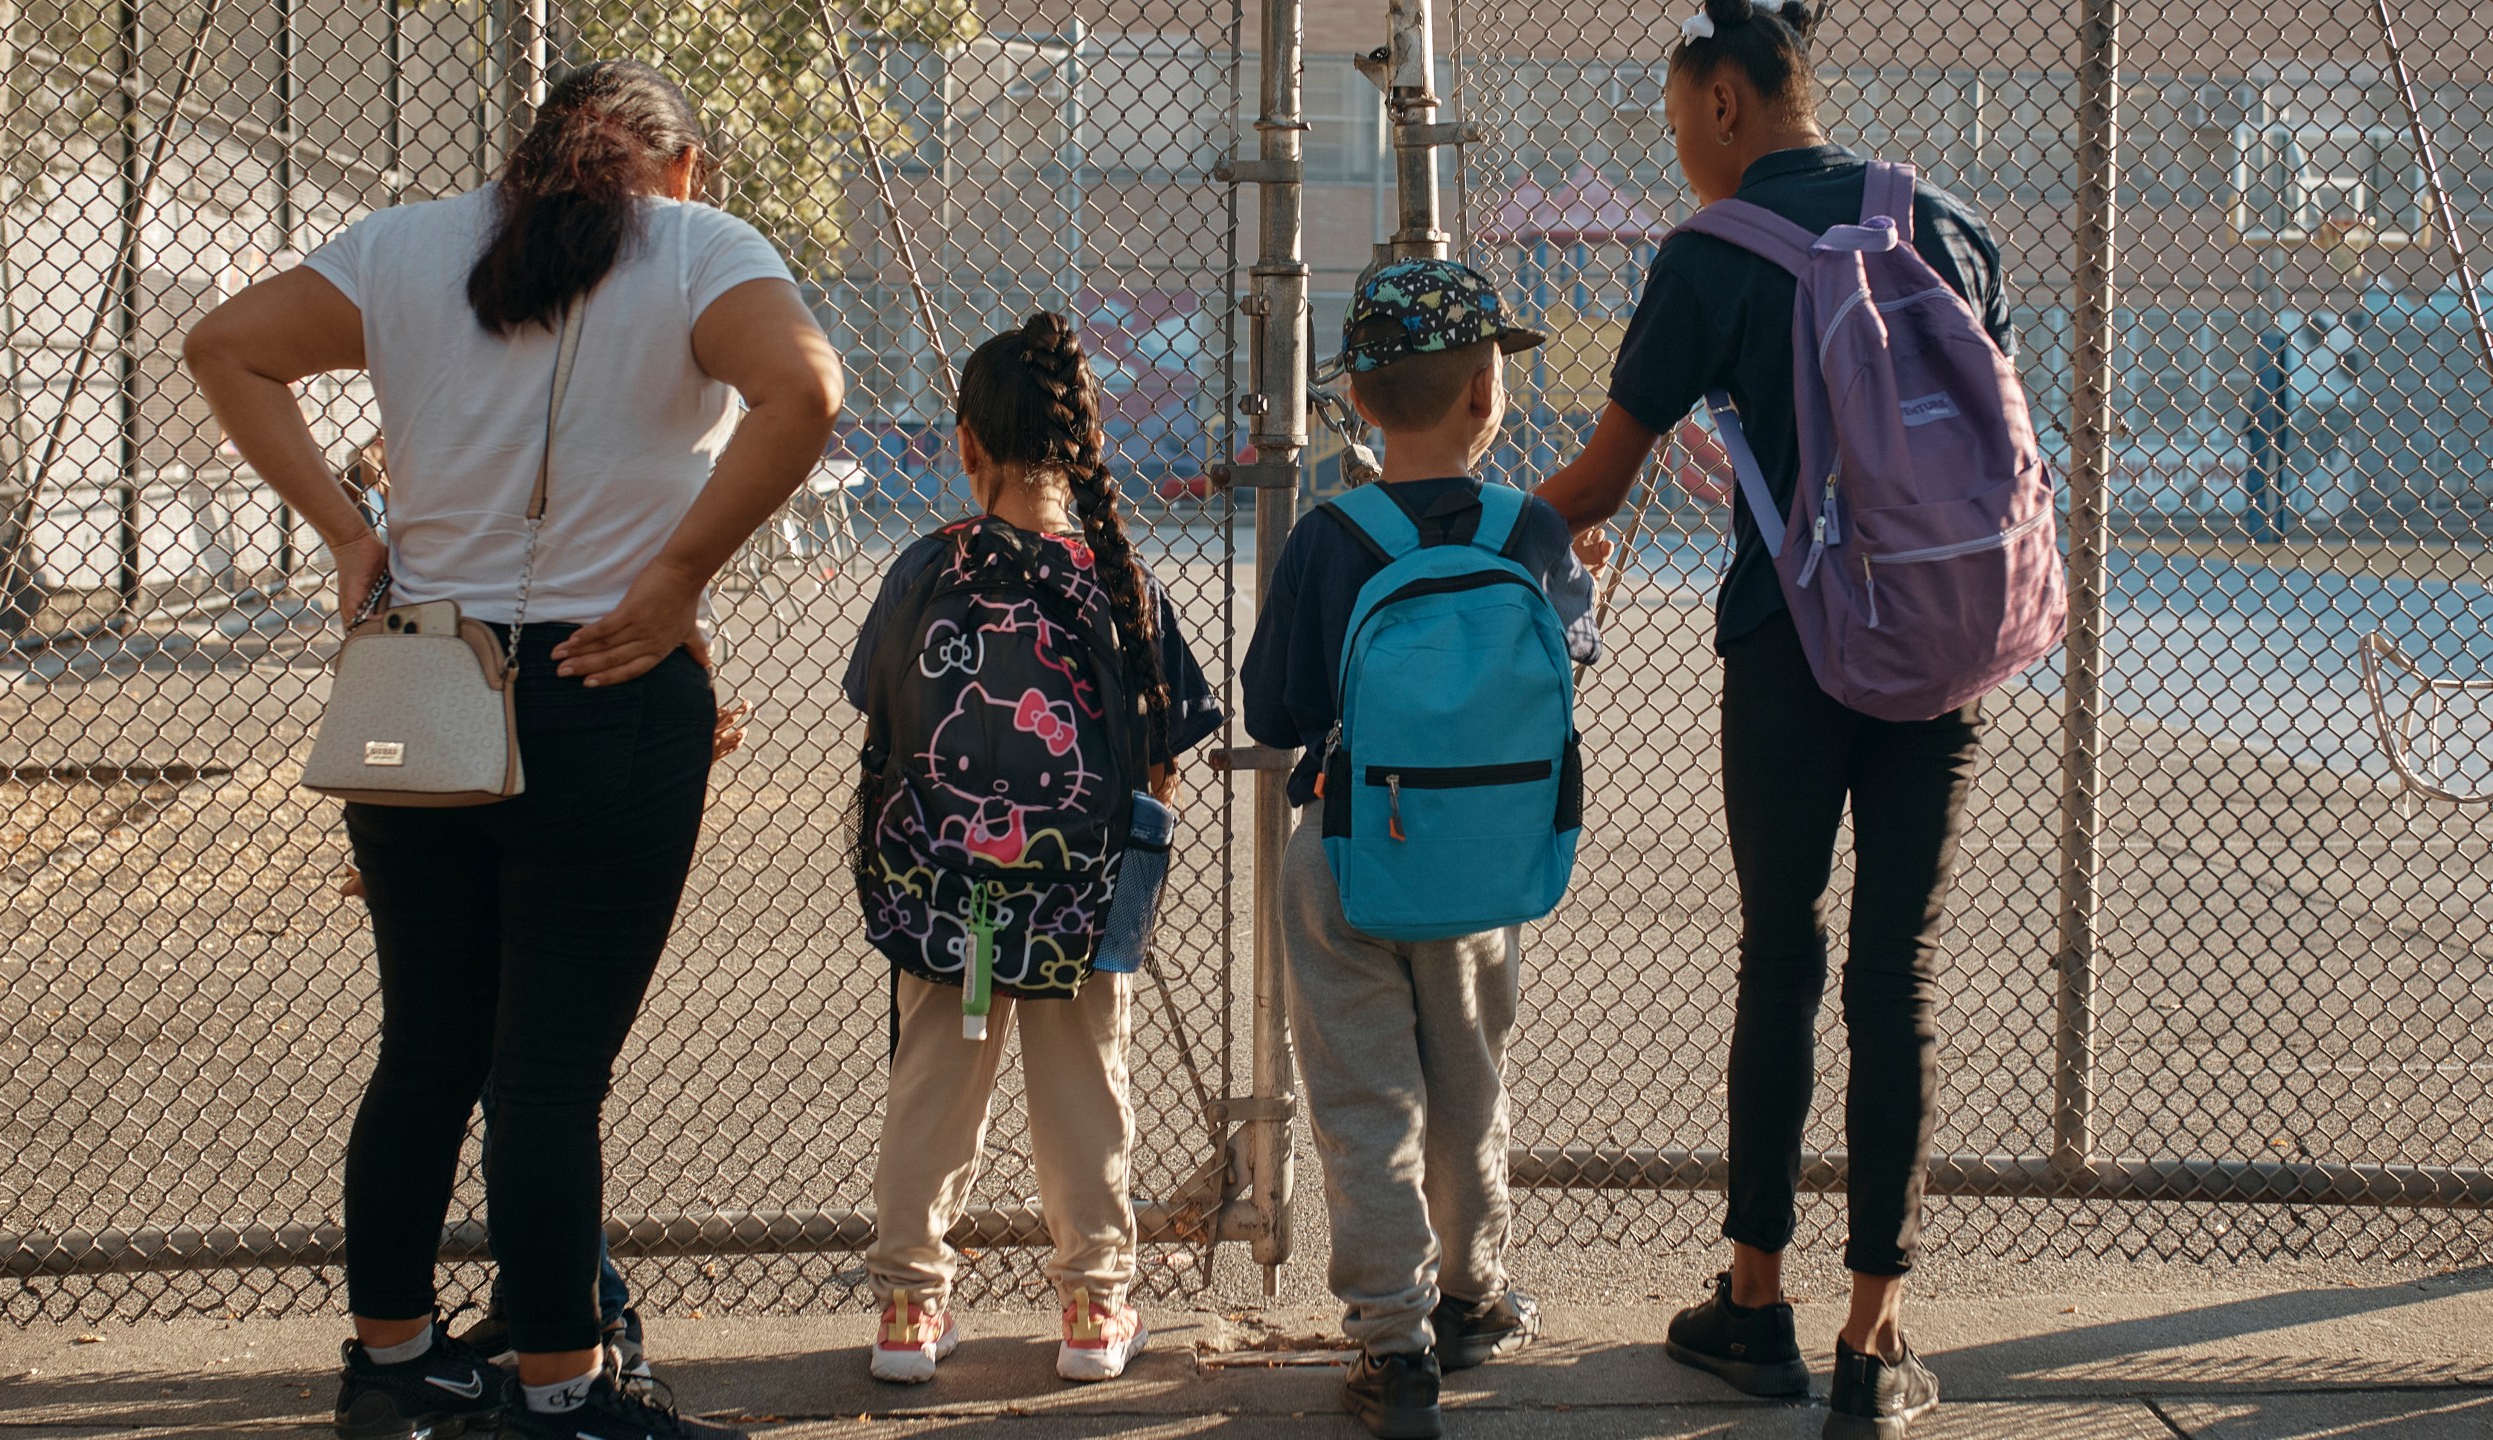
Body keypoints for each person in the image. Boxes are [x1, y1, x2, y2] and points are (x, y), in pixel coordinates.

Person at [185, 58, 843, 1440]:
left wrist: (352, 529)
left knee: (425, 1041)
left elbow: (222, 348)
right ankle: (560, 1394)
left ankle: (394, 1366)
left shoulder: (410, 241)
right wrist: (676, 579)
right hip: (602, 679)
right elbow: (806, 394)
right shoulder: (695, 248)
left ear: (530, 157)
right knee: (548, 1070)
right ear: (681, 169)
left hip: (422, 672)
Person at [1534, 4, 2012, 1436]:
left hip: (1792, 647)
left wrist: (1444, 525)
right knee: (1896, 981)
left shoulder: (1713, 249)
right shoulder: (1947, 222)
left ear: (1729, 103)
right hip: (1941, 643)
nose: (1678, 146)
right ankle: (1877, 1338)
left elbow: (1602, 483)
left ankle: (1755, 1302)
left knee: (1782, 958)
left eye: (1679, 119)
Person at [1243, 258, 1600, 1440]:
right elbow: (1561, 668)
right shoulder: (1533, 530)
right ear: (1486, 397)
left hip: (1343, 852)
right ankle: (1472, 1294)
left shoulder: (1327, 537)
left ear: (1357, 400)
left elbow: (1279, 708)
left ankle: (1391, 1349)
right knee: (1467, 1085)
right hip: (1481, 872)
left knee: (1360, 1102)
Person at [841, 313, 1225, 1387]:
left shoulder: (925, 567)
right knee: (1085, 1092)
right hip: (1081, 901)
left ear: (965, 444)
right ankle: (1095, 1311)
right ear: (1084, 444)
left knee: (933, 1085)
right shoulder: (1121, 580)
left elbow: (882, 711)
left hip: (946, 896)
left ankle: (909, 1313)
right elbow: (1164, 742)